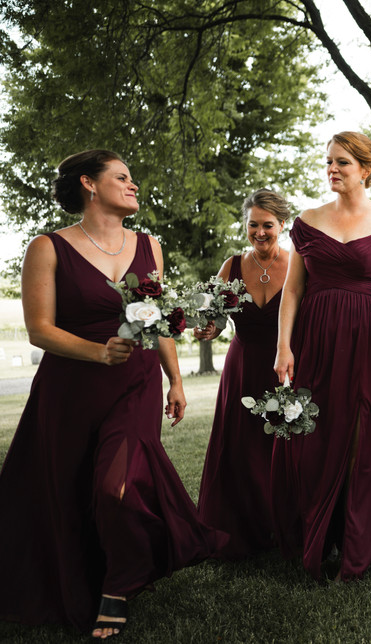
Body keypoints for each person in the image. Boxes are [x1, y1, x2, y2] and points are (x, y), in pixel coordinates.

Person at [0, 149, 224, 638]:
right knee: (73, 488)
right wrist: (98, 352)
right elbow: (39, 330)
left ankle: (117, 588)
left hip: (134, 383)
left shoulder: (150, 245)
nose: (134, 184)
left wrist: (176, 377)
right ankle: (85, 574)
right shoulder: (47, 248)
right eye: (122, 177)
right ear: (89, 184)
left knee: (113, 486)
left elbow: (158, 317)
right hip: (70, 388)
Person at [272, 131, 371, 581]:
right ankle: (315, 537)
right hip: (317, 339)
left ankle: (356, 547)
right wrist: (283, 346)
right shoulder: (307, 221)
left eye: (342, 163)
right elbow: (293, 290)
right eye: (329, 162)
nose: (332, 169)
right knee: (315, 438)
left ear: (367, 170)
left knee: (364, 440)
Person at [194, 189, 290, 559]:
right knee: (241, 447)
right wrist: (208, 328)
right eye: (253, 225)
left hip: (284, 366)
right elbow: (216, 319)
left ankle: (282, 526)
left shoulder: (300, 264)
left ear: (283, 224)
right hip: (243, 364)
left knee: (281, 445)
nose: (260, 232)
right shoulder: (231, 266)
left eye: (268, 225)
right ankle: (241, 530)